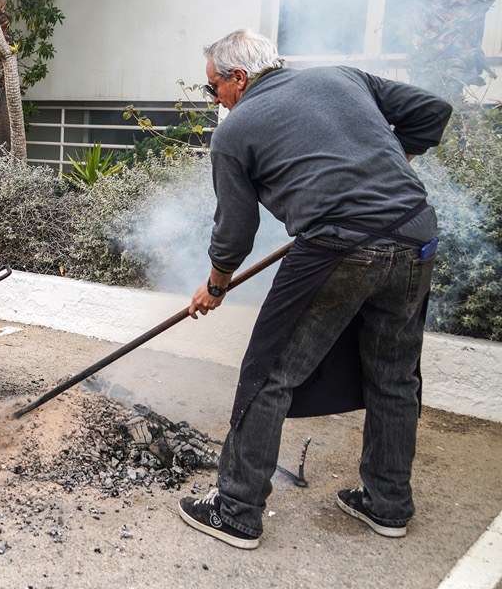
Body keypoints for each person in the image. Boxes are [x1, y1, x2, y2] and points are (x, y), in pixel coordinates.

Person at [178, 29, 452, 549]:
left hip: (339, 247)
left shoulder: (234, 132)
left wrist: (216, 285)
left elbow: (236, 228)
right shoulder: (342, 77)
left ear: (239, 78)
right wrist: (393, 165)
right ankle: (387, 504)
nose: (215, 100)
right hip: (415, 235)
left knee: (268, 375)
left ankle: (236, 511)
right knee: (394, 377)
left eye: (214, 88)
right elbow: (432, 111)